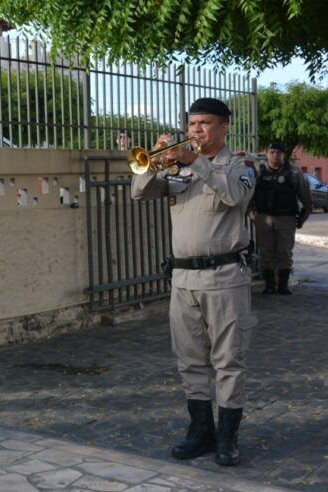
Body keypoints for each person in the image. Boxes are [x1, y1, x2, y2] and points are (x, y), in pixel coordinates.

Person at [131, 97, 257, 467]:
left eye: (203, 123)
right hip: (183, 279)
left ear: (224, 127)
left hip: (225, 278)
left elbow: (235, 195)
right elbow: (140, 193)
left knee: (229, 360)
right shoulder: (178, 170)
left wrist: (196, 162)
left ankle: (228, 437)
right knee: (189, 360)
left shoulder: (240, 166)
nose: (195, 131)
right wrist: (151, 164)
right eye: (190, 125)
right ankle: (201, 431)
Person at [250, 142, 311, 295]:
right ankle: (269, 285)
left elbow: (305, 197)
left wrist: (304, 216)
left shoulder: (294, 172)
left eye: (278, 152)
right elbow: (248, 195)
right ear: (266, 153)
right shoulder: (258, 172)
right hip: (264, 218)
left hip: (286, 218)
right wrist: (252, 214)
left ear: (284, 154)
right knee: (266, 252)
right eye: (272, 152)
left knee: (284, 252)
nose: (275, 155)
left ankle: (283, 286)